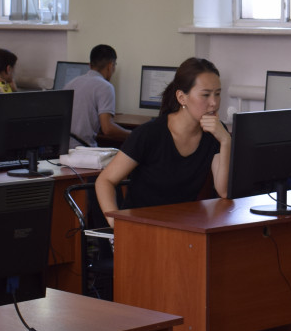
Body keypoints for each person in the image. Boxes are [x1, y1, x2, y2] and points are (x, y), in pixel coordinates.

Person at [96, 57, 230, 224]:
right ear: (182, 97)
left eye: (217, 94)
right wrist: (116, 224)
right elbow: (105, 181)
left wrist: (226, 141)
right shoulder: (150, 134)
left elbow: (223, 191)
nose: (214, 103)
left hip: (183, 225)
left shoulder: (215, 134)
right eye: (206, 95)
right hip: (141, 225)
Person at [66, 44, 130, 147]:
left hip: (63, 149)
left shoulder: (71, 83)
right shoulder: (106, 87)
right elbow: (107, 129)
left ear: (90, 65)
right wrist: (133, 134)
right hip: (83, 150)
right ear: (110, 66)